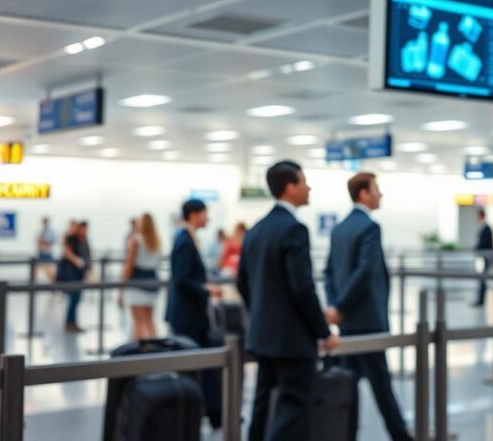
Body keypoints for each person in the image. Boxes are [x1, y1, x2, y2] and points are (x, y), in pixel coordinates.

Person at [237, 160, 339, 441]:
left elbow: (242, 282)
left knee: (262, 403)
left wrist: (262, 312)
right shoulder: (294, 229)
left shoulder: (255, 230)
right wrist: (323, 331)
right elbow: (302, 288)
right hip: (292, 340)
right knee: (293, 405)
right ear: (290, 187)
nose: (309, 188)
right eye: (304, 182)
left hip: (262, 336)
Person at [324, 172, 411, 441]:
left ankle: (345, 435)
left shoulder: (339, 228)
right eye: (376, 189)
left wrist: (336, 307)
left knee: (348, 383)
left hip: (347, 321)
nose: (380, 194)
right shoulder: (370, 227)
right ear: (363, 193)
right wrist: (342, 306)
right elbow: (363, 272)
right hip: (367, 320)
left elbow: (328, 272)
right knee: (381, 384)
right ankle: (401, 437)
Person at [166, 199, 223, 428]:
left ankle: (209, 413)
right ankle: (193, 416)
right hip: (187, 316)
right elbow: (182, 279)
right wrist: (205, 289)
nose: (207, 218)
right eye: (204, 214)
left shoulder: (188, 239)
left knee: (201, 365)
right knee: (191, 367)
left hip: (192, 314)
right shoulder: (184, 241)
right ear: (193, 215)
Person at [119, 213, 161, 340]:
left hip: (137, 282)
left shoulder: (136, 239)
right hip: (153, 281)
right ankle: (154, 351)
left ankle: (140, 354)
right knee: (149, 321)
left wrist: (121, 289)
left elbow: (129, 266)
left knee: (138, 322)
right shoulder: (156, 240)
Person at [57, 221, 89, 333]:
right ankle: (70, 323)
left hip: (79, 274)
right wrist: (77, 261)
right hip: (71, 273)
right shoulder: (71, 238)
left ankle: (73, 322)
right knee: (74, 298)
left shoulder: (84, 239)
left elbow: (87, 255)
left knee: (76, 299)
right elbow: (67, 252)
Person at [472, 208, 493, 307]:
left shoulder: (487, 228)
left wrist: (477, 247)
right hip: (482, 256)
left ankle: (481, 300)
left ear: (482, 216)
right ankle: (480, 300)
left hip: (486, 256)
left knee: (483, 278)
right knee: (482, 278)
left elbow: (486, 243)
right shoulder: (482, 227)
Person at [36, 217, 57, 283]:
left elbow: (52, 241)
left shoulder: (51, 231)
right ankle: (33, 288)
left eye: (45, 222)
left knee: (49, 271)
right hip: (40, 253)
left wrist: (44, 241)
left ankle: (53, 287)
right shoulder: (41, 231)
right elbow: (38, 241)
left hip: (47, 254)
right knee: (36, 270)